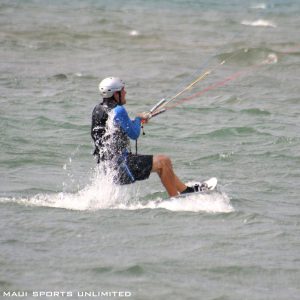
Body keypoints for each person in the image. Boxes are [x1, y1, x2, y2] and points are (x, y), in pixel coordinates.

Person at [91, 77, 201, 197]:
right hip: (121, 166)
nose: (125, 92)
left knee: (162, 165)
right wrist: (138, 119)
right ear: (116, 94)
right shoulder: (119, 110)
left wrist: (136, 121)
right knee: (164, 162)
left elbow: (114, 129)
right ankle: (176, 199)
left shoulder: (97, 109)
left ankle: (185, 190)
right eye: (123, 90)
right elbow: (134, 134)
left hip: (107, 168)